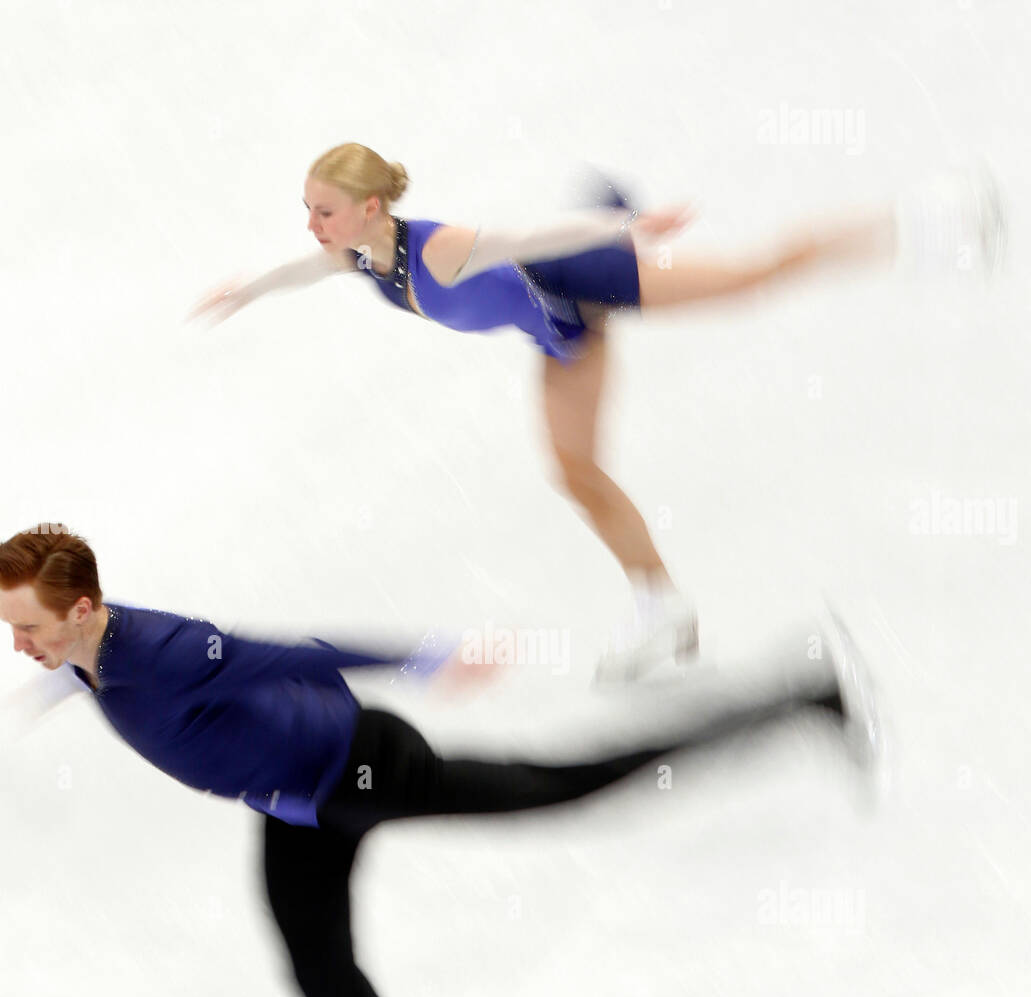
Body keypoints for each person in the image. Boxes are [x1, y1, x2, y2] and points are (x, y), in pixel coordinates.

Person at [0, 524, 878, 997]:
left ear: (81, 609)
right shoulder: (92, 654)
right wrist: (54, 687)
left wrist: (425, 656)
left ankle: (798, 696)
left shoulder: (166, 651)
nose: (17, 644)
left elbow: (296, 653)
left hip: (365, 770)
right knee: (320, 973)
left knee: (571, 785)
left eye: (29, 629)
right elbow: (102, 677)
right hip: (299, 805)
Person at [190, 144, 1002, 680]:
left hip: (587, 279)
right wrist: (248, 288)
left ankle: (928, 219)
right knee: (574, 470)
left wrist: (622, 226)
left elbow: (528, 235)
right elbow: (303, 267)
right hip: (560, 332)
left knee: (752, 276)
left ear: (370, 208)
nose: (311, 222)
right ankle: (665, 610)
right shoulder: (354, 255)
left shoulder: (435, 246)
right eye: (307, 207)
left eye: (322, 209)